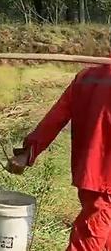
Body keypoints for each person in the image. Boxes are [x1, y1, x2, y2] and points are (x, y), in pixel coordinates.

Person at [7, 60, 111, 251]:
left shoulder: (85, 77)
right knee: (88, 241)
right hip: (106, 181)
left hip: (88, 173)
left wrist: (28, 153)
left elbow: (56, 117)